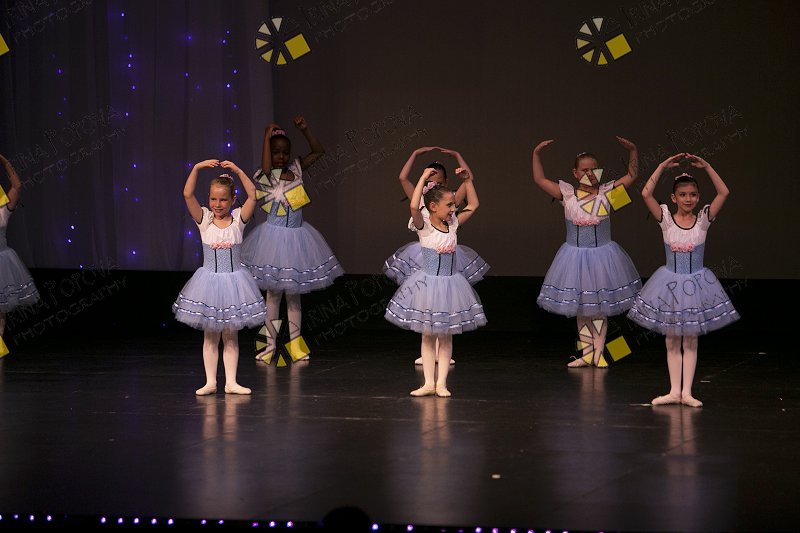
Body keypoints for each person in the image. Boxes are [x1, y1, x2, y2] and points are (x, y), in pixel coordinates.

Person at [628, 153, 739, 407]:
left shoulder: (703, 221)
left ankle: (687, 392)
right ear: (673, 197)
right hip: (669, 285)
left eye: (693, 195)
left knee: (690, 338)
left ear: (698, 197)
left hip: (696, 285)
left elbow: (724, 192)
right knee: (671, 339)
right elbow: (645, 193)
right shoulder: (666, 220)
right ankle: (673, 391)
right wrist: (662, 166)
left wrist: (707, 166)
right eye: (683, 195)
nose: (688, 199)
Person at [532, 136, 641, 368]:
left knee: (599, 311)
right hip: (574, 258)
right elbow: (539, 179)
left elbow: (631, 176)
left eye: (594, 169)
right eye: (584, 170)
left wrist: (632, 151)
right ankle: (586, 353)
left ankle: (598, 353)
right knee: (582, 310)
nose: (590, 173)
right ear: (575, 172)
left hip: (602, 258)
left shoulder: (607, 193)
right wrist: (536, 154)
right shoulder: (568, 194)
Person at [241, 118, 343, 363]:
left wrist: (305, 129)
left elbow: (318, 151)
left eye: (284, 152)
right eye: (276, 152)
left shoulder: (296, 169)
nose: (281, 157)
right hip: (273, 241)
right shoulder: (266, 175)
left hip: (297, 239)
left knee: (294, 297)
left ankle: (296, 346)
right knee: (273, 296)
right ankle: (269, 345)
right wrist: (266, 137)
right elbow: (267, 166)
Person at [385, 166, 486, 397]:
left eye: (453, 205)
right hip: (427, 286)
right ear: (433, 206)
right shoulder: (424, 227)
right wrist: (422, 178)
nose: (453, 208)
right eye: (449, 205)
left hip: (450, 285)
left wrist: (467, 181)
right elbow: (413, 206)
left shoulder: (453, 224)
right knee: (428, 336)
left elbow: (473, 205)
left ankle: (441, 383)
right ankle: (428, 383)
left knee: (446, 335)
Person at [172, 159, 266, 395]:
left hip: (234, 283)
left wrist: (237, 170)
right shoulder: (204, 220)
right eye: (213, 199)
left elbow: (254, 195)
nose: (217, 204)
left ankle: (231, 382)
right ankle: (210, 382)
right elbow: (187, 194)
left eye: (223, 199)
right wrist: (196, 168)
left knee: (230, 335)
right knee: (211, 335)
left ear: (233, 200)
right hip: (209, 284)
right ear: (208, 199)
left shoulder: (238, 221)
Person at [0, 153, 40, 353]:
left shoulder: (3, 211)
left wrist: (5, 162)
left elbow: (17, 186)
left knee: (0, 308)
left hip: (1, 261)